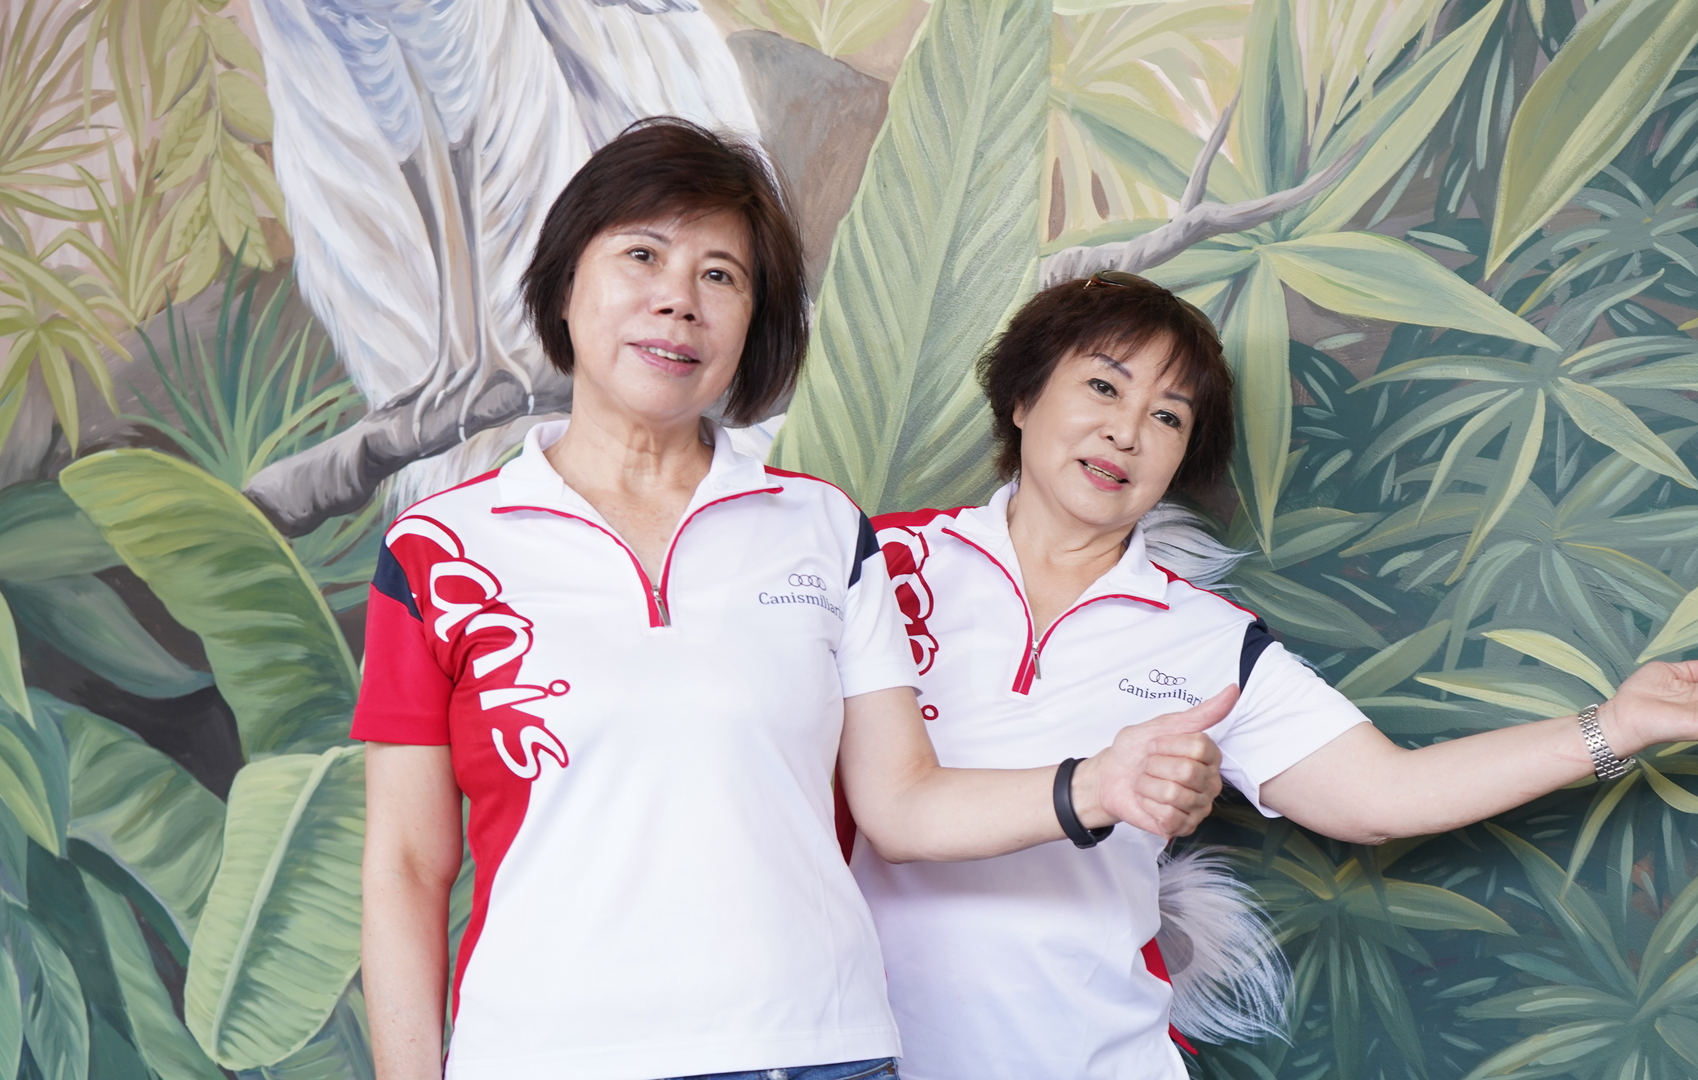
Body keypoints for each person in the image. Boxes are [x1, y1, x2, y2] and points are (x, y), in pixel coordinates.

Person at [353, 121, 1231, 1080]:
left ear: (752, 325)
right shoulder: (439, 549)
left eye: (720, 276)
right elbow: (406, 866)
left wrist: (1094, 786)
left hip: (813, 1054)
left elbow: (900, 804)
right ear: (565, 284)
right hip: (544, 1057)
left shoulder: (822, 528)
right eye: (642, 255)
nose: (678, 300)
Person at [850, 272, 1698, 1080]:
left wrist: (1612, 728)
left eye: (1167, 416)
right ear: (1022, 398)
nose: (1127, 431)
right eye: (1103, 387)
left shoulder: (1208, 640)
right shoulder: (871, 566)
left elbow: (1384, 795)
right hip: (855, 1053)